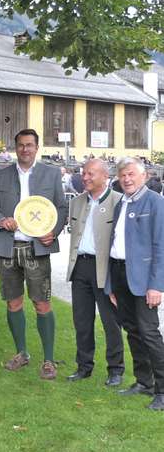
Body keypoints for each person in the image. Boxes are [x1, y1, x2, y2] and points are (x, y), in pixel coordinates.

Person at [0, 128, 68, 380]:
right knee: (13, 302)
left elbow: (61, 207)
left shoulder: (51, 174)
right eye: (20, 145)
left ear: (37, 147)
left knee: (42, 303)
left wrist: (53, 231)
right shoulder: (1, 176)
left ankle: (49, 360)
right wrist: (1, 220)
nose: (25, 149)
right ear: (15, 147)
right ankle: (21, 353)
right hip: (9, 248)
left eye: (29, 145)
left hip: (37, 248)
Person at [105, 157, 164, 410]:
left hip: (143, 280)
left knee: (149, 333)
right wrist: (111, 284)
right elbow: (114, 243)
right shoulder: (122, 202)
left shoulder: (155, 202)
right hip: (120, 275)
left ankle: (162, 390)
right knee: (133, 330)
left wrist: (156, 285)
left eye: (131, 174)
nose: (126, 179)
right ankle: (144, 382)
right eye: (122, 175)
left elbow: (161, 246)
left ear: (144, 176)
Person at [65, 158, 124, 386]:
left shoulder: (118, 201)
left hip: (106, 270)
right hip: (80, 267)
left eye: (90, 174)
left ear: (104, 176)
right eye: (83, 173)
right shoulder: (77, 201)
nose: (85, 177)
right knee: (82, 320)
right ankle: (84, 366)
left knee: (111, 322)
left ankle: (116, 370)